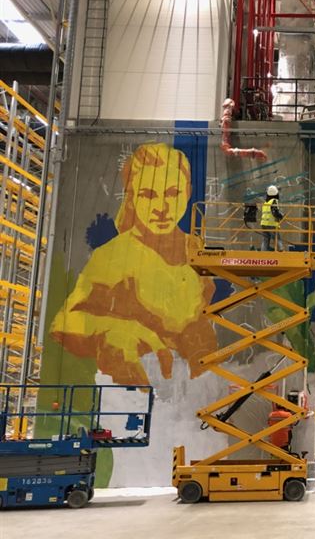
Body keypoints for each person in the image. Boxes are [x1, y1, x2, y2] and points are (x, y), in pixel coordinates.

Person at [50, 143, 217, 385]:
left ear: (188, 192)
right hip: (134, 386)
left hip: (192, 387)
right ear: (131, 196)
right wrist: (115, 330)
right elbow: (64, 322)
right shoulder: (113, 255)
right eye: (148, 194)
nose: (161, 208)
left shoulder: (196, 250)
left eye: (172, 193)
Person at [261, 185, 285, 251]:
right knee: (277, 238)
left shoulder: (266, 202)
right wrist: (281, 215)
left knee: (265, 239)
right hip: (271, 223)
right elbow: (275, 212)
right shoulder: (274, 201)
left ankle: (263, 251)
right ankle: (280, 250)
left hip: (264, 224)